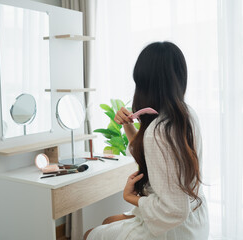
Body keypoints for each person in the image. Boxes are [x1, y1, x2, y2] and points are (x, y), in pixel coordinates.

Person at [84, 42, 209, 240]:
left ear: (145, 83)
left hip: (170, 229)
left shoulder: (159, 132)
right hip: (194, 221)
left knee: (90, 234)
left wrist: (131, 198)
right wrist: (127, 126)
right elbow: (151, 154)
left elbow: (175, 211)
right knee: (108, 221)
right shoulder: (185, 115)